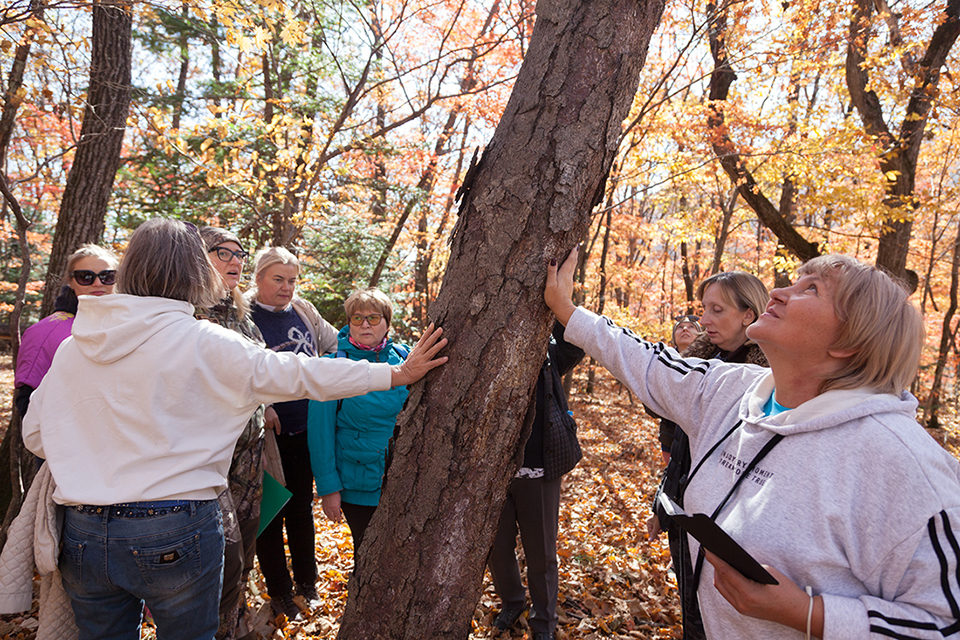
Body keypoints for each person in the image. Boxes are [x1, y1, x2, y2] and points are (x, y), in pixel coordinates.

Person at [21, 218, 447, 640]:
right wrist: (396, 374)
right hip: (174, 528)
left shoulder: (78, 346)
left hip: (83, 533)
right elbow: (303, 374)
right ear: (196, 274)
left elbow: (36, 435)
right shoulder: (206, 341)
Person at [545, 248, 960, 639]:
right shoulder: (730, 391)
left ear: (850, 341)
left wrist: (810, 614)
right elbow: (646, 360)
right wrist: (567, 310)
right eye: (795, 282)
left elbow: (947, 622)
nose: (779, 292)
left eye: (810, 289)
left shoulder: (905, 467)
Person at [650, 275, 769, 640]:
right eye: (704, 309)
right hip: (686, 511)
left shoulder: (771, 377)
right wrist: (663, 501)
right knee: (691, 608)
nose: (704, 320)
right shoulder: (700, 360)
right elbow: (680, 444)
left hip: (737, 528)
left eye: (717, 310)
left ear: (748, 315)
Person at [247, 246, 338, 618]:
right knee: (271, 513)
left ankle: (308, 583)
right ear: (259, 278)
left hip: (306, 426)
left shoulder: (303, 310)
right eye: (278, 279)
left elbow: (334, 345)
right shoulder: (246, 316)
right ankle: (280, 591)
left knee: (301, 509)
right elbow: (238, 371)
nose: (287, 288)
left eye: (292, 280)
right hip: (269, 436)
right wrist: (261, 405)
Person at [487, 321, 584, 640]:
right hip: (492, 472)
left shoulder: (550, 354)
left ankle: (544, 622)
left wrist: (552, 308)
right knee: (496, 547)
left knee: (541, 552)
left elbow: (576, 344)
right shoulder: (487, 349)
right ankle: (513, 602)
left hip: (540, 469)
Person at [308, 288, 409, 575]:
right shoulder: (332, 366)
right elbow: (320, 434)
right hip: (359, 482)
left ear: (387, 323)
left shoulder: (404, 358)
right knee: (369, 561)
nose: (365, 324)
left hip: (403, 478)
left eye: (374, 318)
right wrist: (329, 489)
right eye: (357, 318)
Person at [195, 227, 263, 640]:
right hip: (207, 462)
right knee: (220, 556)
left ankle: (236, 628)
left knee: (245, 550)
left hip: (250, 455)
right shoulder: (185, 315)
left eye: (240, 253)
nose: (236, 261)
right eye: (223, 253)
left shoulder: (242, 315)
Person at [14, 243, 119, 417]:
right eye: (85, 276)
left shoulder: (132, 325)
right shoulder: (45, 332)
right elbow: (28, 405)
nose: (97, 283)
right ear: (70, 281)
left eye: (107, 276)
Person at [655, 314, 702, 465]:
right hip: (670, 437)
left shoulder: (713, 362)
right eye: (680, 328)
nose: (685, 330)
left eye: (691, 327)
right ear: (674, 337)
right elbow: (652, 404)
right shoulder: (664, 361)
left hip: (700, 439)